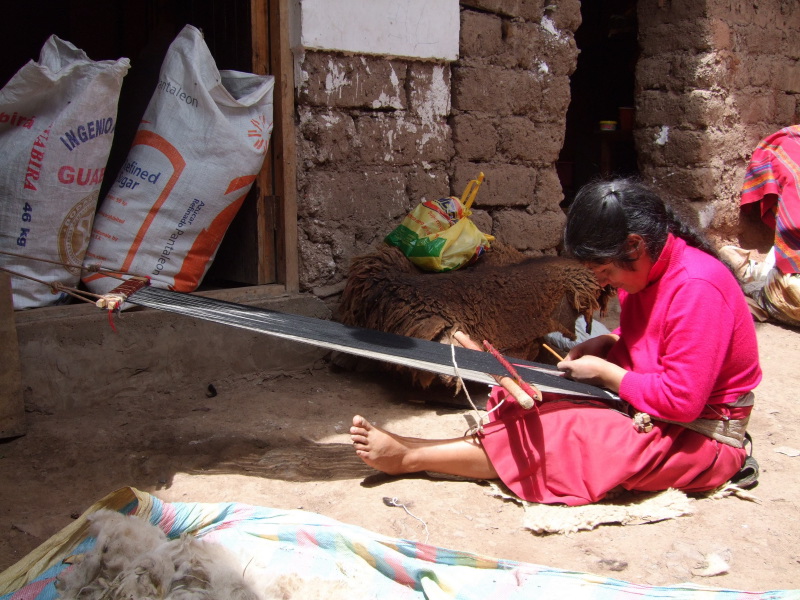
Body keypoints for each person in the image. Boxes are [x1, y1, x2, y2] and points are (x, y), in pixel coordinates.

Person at [351, 177, 762, 506]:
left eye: (605, 273)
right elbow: (660, 339)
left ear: (634, 245)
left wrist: (605, 372)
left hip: (700, 435)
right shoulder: (652, 274)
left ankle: (411, 455)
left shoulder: (697, 287)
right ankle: (425, 452)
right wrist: (609, 343)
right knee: (532, 397)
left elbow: (683, 401)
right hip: (653, 407)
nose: (603, 283)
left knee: (569, 433)